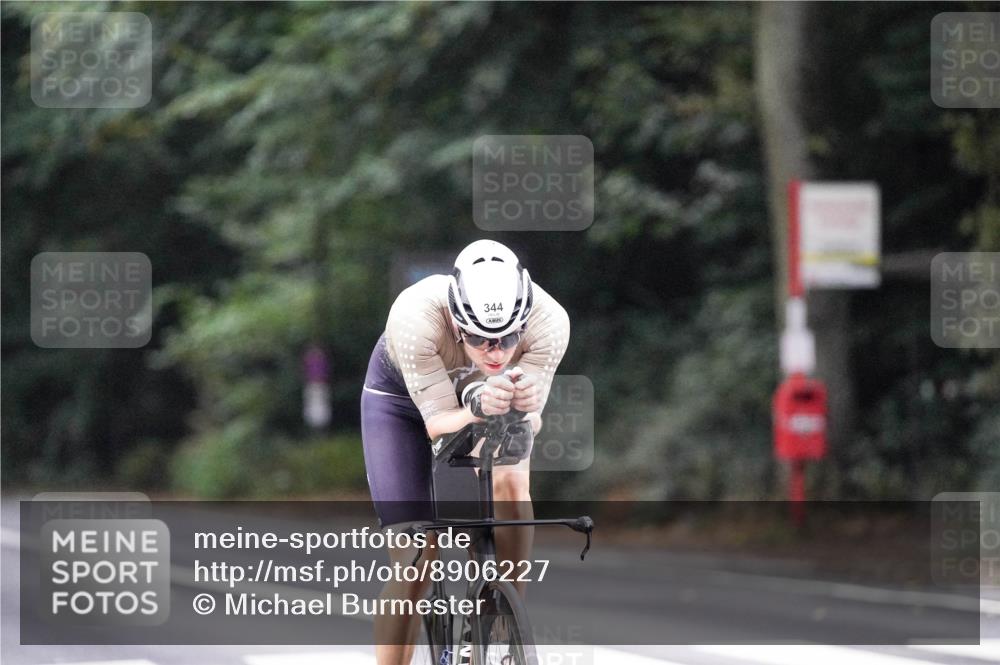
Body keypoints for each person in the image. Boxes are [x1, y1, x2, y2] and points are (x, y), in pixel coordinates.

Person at [360, 239, 570, 665]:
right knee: (416, 558)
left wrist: (523, 405)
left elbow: (527, 424)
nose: (495, 352)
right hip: (403, 405)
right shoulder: (414, 316)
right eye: (479, 339)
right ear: (457, 323)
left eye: (508, 337)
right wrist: (475, 403)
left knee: (511, 484)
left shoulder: (551, 322)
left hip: (487, 404)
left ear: (525, 320)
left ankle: (502, 618)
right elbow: (437, 424)